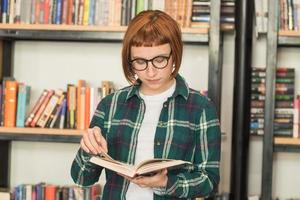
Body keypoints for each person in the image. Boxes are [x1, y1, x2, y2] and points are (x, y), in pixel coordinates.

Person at [71, 10, 221, 200]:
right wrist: (88, 149)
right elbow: (81, 178)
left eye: (159, 60)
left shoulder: (201, 108)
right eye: (140, 62)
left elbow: (209, 181)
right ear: (130, 61)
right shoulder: (110, 105)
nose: (151, 72)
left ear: (174, 55)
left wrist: (166, 184)